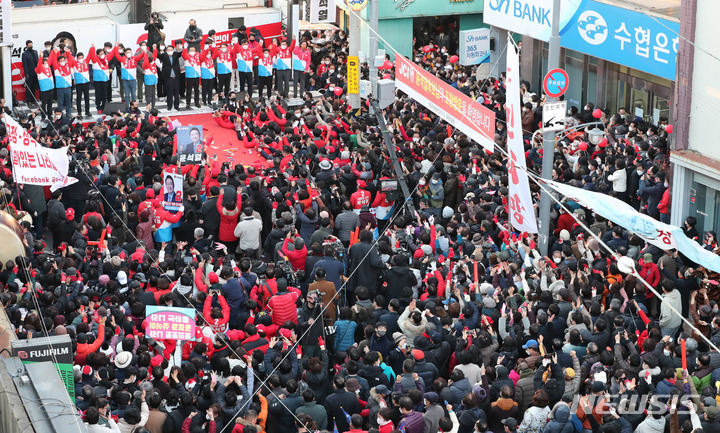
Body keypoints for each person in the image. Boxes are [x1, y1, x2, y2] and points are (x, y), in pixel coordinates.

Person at [158, 44, 182, 111]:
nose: (170, 51)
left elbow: (182, 53)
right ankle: (169, 106)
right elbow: (157, 55)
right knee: (169, 92)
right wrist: (155, 49)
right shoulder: (164, 56)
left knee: (176, 92)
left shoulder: (175, 55)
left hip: (176, 77)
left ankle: (176, 105)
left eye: (171, 50)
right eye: (168, 50)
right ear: (166, 50)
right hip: (168, 78)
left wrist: (183, 48)